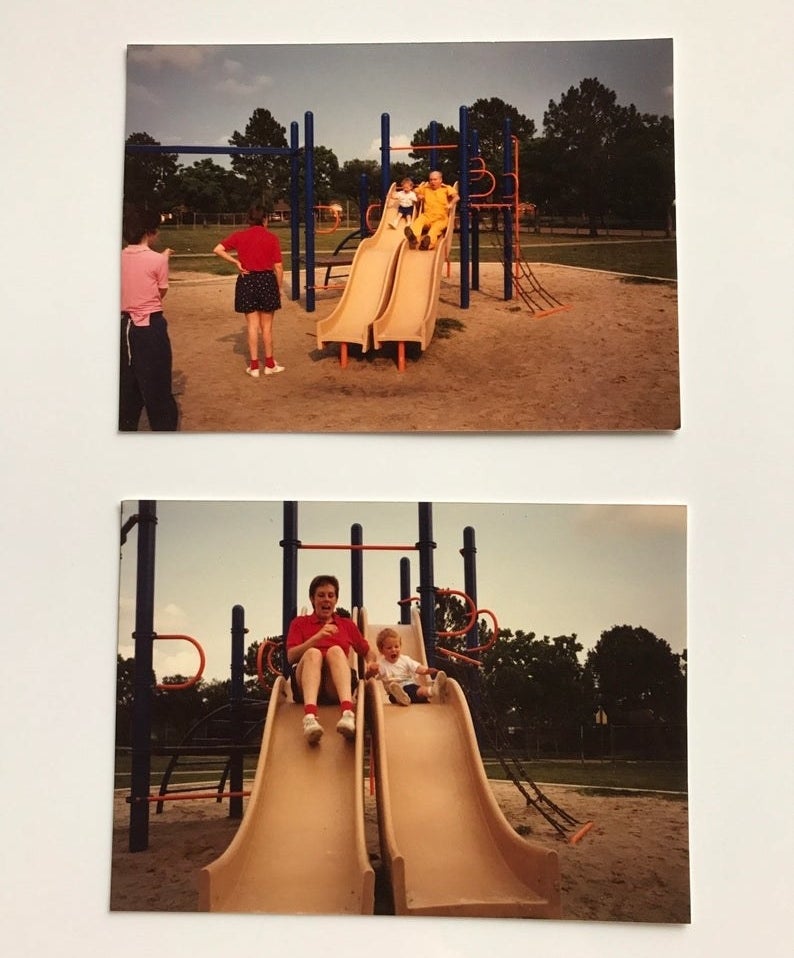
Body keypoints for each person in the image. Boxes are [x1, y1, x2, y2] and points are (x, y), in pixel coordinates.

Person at [286, 575, 379, 744]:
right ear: (312, 599)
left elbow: (368, 652)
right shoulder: (300, 623)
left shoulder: (346, 625)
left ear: (336, 599)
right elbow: (291, 656)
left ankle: (347, 714)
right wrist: (316, 638)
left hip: (333, 686)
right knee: (313, 653)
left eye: (330, 595)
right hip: (306, 683)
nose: (326, 600)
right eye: (321, 595)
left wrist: (372, 663)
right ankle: (310, 717)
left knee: (335, 651)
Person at [120, 206, 179, 431]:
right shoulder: (156, 260)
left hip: (124, 325)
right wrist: (163, 259)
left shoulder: (120, 256)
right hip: (149, 327)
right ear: (149, 232)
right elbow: (160, 292)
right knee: (157, 386)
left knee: (127, 387)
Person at [213, 206, 285, 379]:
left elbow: (217, 249)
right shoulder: (271, 238)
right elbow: (278, 266)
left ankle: (253, 367)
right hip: (267, 280)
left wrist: (235, 262)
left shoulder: (240, 236)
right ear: (265, 220)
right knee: (266, 327)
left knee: (252, 325)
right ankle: (269, 364)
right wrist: (279, 287)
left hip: (247, 281)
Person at [374, 627, 448, 705]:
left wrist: (427, 670)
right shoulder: (381, 665)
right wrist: (371, 670)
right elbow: (372, 676)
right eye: (389, 648)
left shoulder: (405, 660)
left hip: (409, 686)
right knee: (392, 695)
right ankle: (403, 698)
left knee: (418, 690)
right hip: (394, 691)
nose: (393, 650)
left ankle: (432, 691)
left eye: (396, 646)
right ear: (381, 650)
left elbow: (418, 668)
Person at [405, 170, 458, 251]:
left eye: (435, 179)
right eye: (431, 179)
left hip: (441, 218)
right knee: (418, 221)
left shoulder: (446, 188)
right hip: (427, 216)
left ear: (440, 180)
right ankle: (414, 239)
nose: (432, 182)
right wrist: (418, 195)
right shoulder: (426, 188)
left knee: (434, 230)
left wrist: (451, 204)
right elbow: (415, 190)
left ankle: (428, 244)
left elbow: (456, 197)